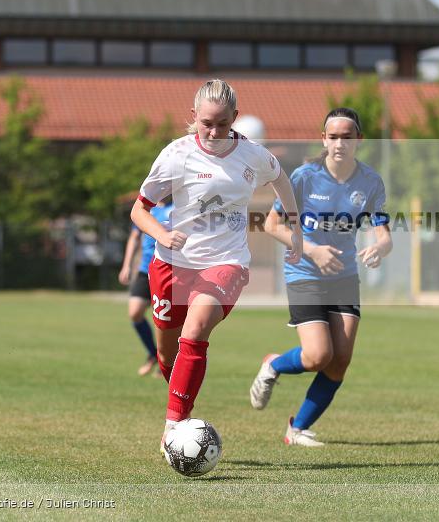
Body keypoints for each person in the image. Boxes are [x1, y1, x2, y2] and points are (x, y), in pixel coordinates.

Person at [130, 79, 303, 455]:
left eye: (222, 124)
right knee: (166, 355)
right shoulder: (175, 155)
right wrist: (162, 233)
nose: (213, 131)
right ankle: (182, 415)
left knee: (195, 328)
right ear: (193, 117)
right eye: (206, 123)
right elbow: (139, 209)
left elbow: (281, 180)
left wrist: (295, 224)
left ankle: (172, 428)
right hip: (172, 264)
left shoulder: (252, 154)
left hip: (226, 263)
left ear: (234, 119)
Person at [250, 107, 392, 447]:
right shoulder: (303, 177)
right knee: (317, 357)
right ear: (323, 139)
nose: (340, 143)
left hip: (344, 276)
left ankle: (296, 429)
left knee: (339, 361)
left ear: (359, 140)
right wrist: (312, 250)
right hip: (304, 272)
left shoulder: (370, 181)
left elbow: (384, 234)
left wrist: (380, 247)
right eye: (333, 136)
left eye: (347, 136)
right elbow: (272, 224)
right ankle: (273, 364)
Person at [118, 198, 174, 376]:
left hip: (168, 270)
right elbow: (134, 237)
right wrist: (126, 265)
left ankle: (168, 362)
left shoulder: (178, 207)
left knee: (165, 321)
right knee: (135, 313)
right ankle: (153, 354)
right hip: (145, 269)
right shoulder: (146, 208)